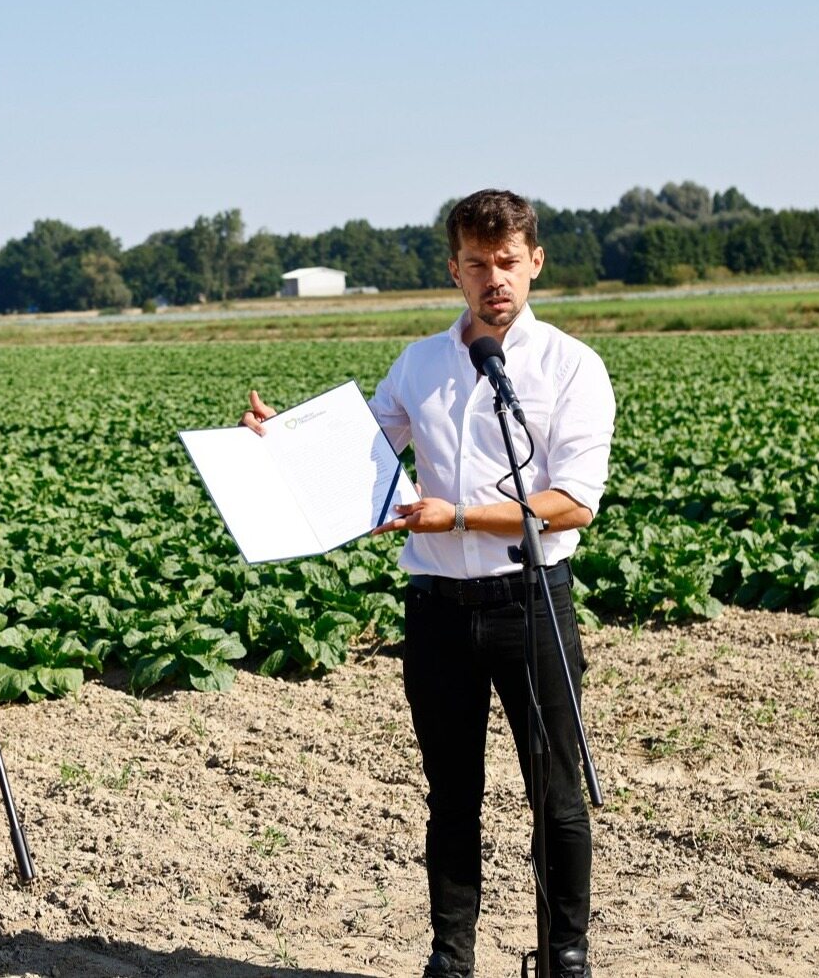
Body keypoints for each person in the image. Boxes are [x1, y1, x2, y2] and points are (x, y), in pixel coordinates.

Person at [242, 189, 614, 978]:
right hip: (439, 612)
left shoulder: (570, 366)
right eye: (477, 264)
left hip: (532, 603)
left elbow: (573, 501)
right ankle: (451, 958)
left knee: (556, 795)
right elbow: (358, 453)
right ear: (454, 268)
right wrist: (278, 443)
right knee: (452, 796)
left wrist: (461, 518)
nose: (494, 279)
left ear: (536, 262)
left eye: (508, 262)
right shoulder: (420, 363)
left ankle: (565, 958)